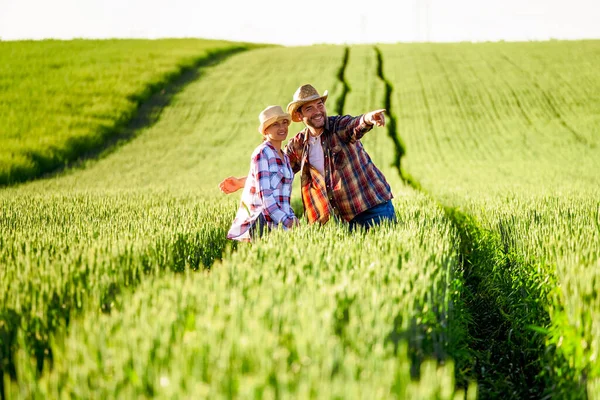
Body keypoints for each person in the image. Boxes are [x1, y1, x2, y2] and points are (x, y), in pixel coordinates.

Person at [220, 84, 395, 231]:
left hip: (373, 207)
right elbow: (275, 170)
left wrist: (369, 118)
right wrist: (242, 182)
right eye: (309, 108)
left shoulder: (338, 127)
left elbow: (354, 125)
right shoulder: (298, 144)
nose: (317, 111)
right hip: (344, 218)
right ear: (299, 116)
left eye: (320, 105)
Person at [226, 105, 299, 242]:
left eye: (284, 122)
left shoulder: (285, 157)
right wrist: (286, 220)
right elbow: (265, 195)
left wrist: (291, 217)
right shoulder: (262, 153)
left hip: (279, 223)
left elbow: (283, 197)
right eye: (275, 124)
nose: (282, 127)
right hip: (262, 223)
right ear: (266, 131)